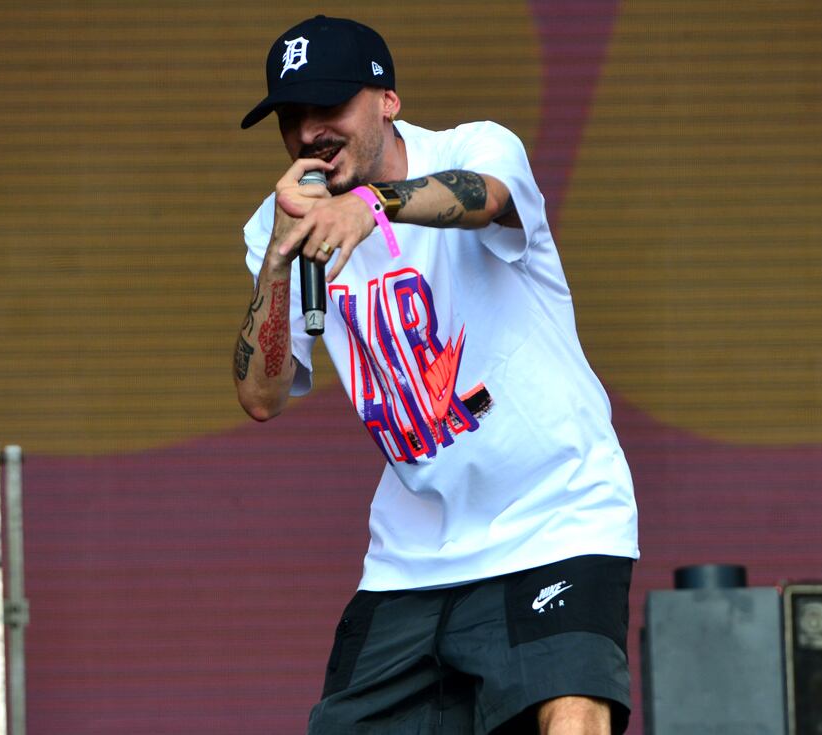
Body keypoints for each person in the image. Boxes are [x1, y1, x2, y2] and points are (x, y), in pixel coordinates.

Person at [234, 15, 638, 735]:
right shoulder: (281, 221)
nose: (309, 132)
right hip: (414, 553)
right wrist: (277, 257)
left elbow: (486, 197)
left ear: (387, 99)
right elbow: (260, 397)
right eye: (291, 117)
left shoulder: (474, 145)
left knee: (572, 709)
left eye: (329, 106)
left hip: (557, 511)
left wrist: (371, 206)